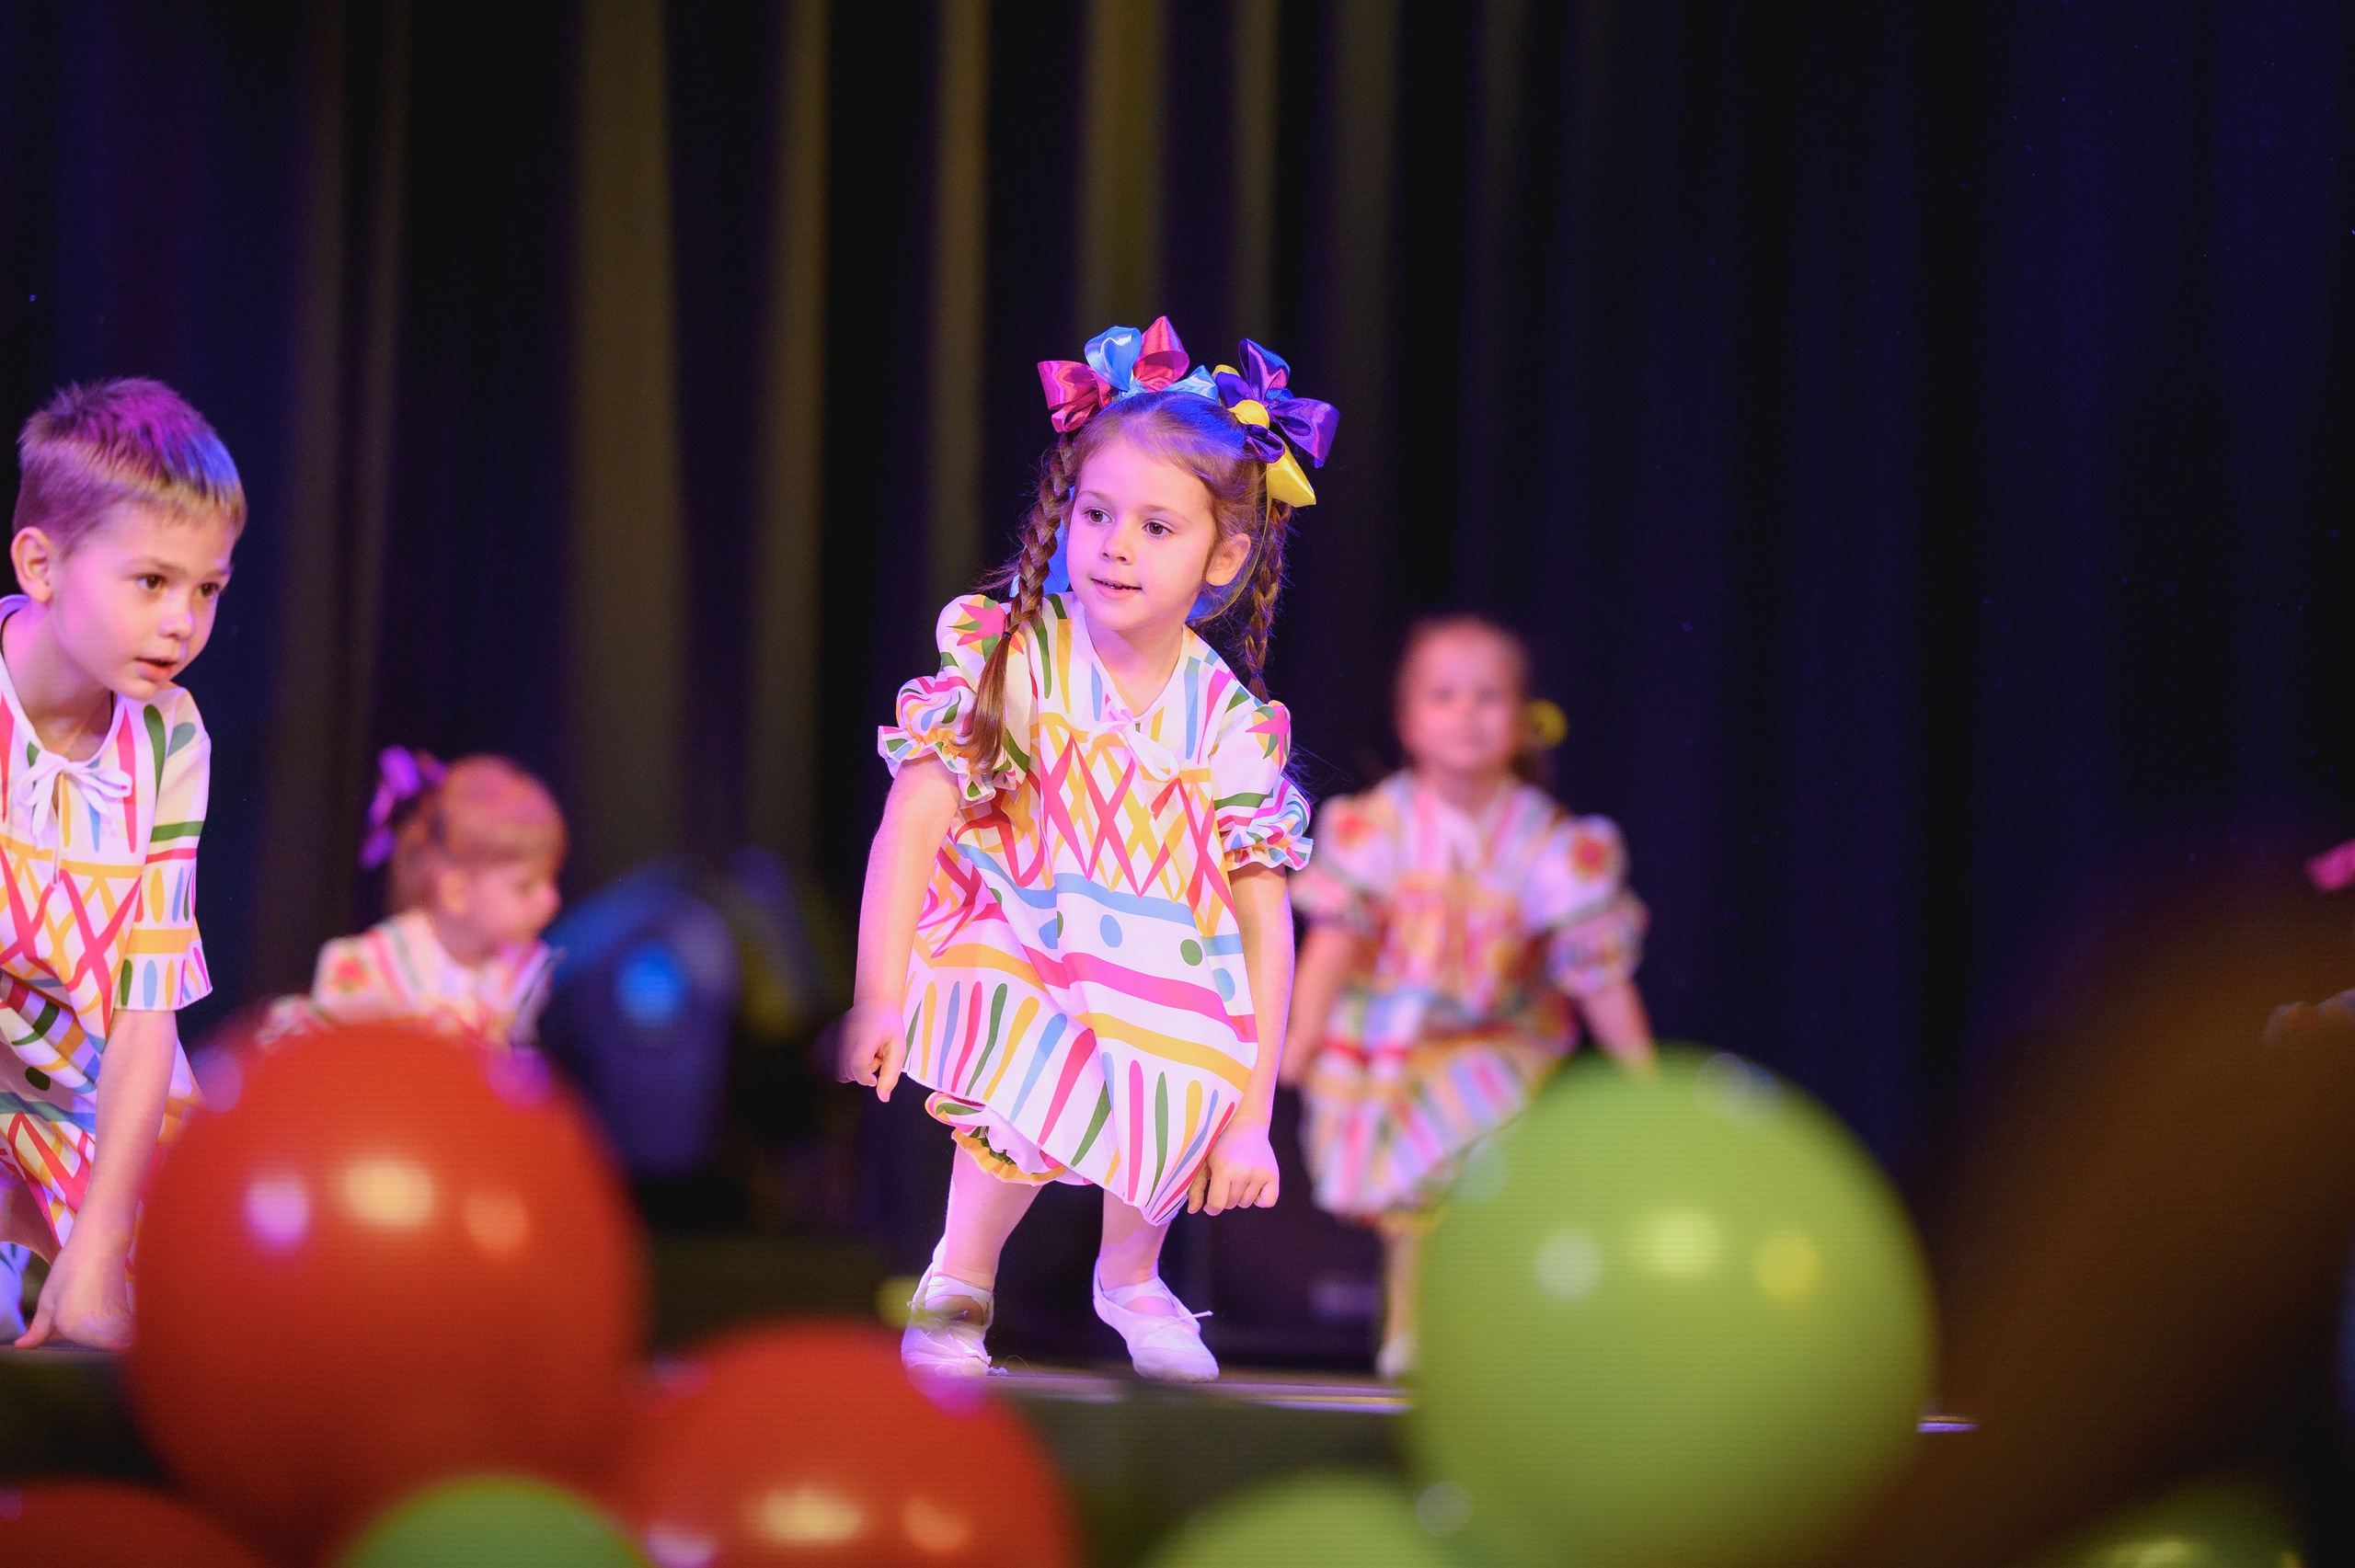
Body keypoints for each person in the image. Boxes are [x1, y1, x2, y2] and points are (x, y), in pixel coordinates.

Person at [840, 318, 1336, 1381]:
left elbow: (1263, 913)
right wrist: (878, 996)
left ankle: (1130, 1274)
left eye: (1157, 526)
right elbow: (915, 816)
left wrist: (1249, 1117)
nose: (1115, 544)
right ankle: (958, 1279)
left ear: (1224, 556)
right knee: (1026, 1061)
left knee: (1185, 1052)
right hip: (1031, 926)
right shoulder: (1017, 658)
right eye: (1096, 512)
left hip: (1160, 955)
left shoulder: (1225, 720)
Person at [1284, 615, 1655, 1379]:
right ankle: (1411, 1332)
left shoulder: (1548, 842)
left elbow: (1597, 975)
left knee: (1484, 1170)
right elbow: (1334, 944)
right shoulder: (1379, 824)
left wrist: (1643, 1076)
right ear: (1408, 719)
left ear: (1520, 720)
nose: (1466, 713)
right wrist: (1296, 1041)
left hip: (1501, 1040)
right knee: (1416, 1199)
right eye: (1444, 695)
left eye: (1488, 697)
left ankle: (1489, 1336)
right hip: (1390, 1041)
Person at [0, 379, 240, 1349]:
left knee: (210, 1308)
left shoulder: (172, 737)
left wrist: (97, 1240)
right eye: (152, 581)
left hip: (86, 1091)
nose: (183, 621)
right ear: (42, 564)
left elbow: (145, 1017)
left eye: (207, 589)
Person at [293, 747, 565, 1048]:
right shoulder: (372, 969)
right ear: (456, 893)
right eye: (525, 887)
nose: (551, 900)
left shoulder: (528, 973)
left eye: (551, 879)